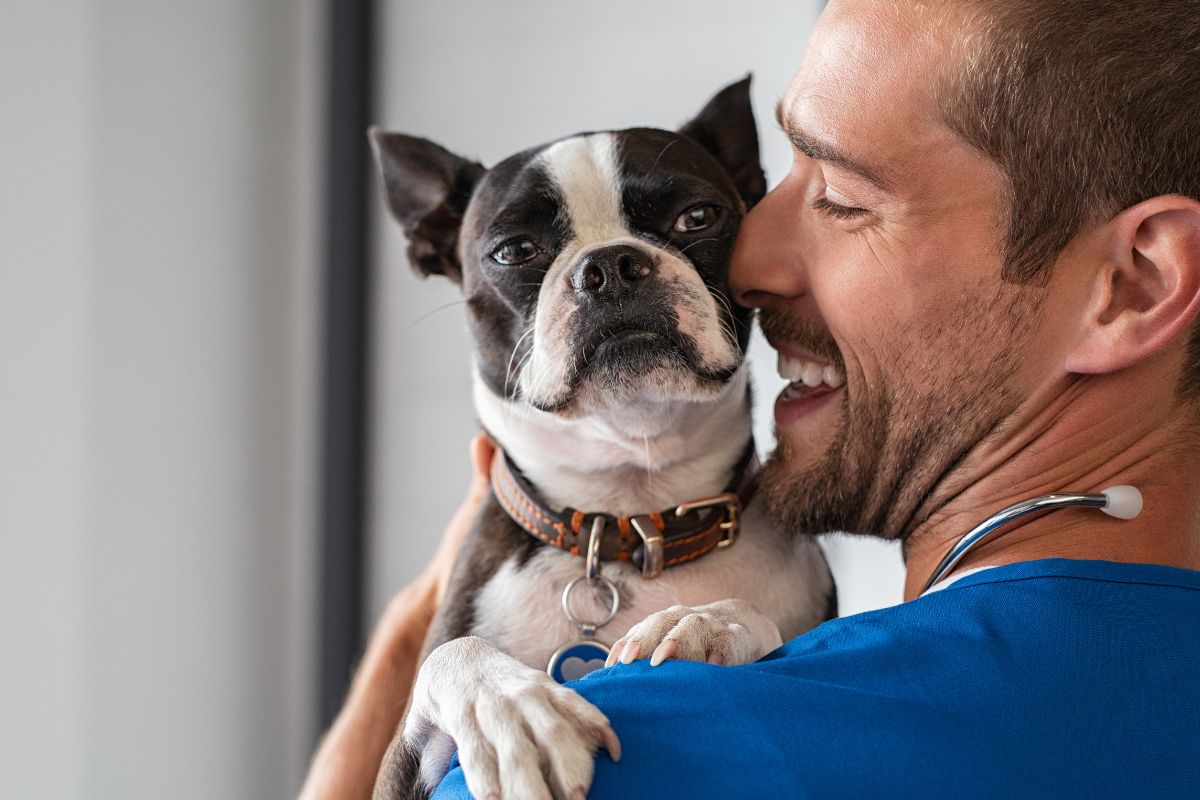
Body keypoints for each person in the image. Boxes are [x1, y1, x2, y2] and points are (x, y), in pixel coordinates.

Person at [301, 0, 1200, 797]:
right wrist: (421, 632)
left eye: (843, 197)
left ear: (1132, 284)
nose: (749, 261)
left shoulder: (630, 755)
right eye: (777, 185)